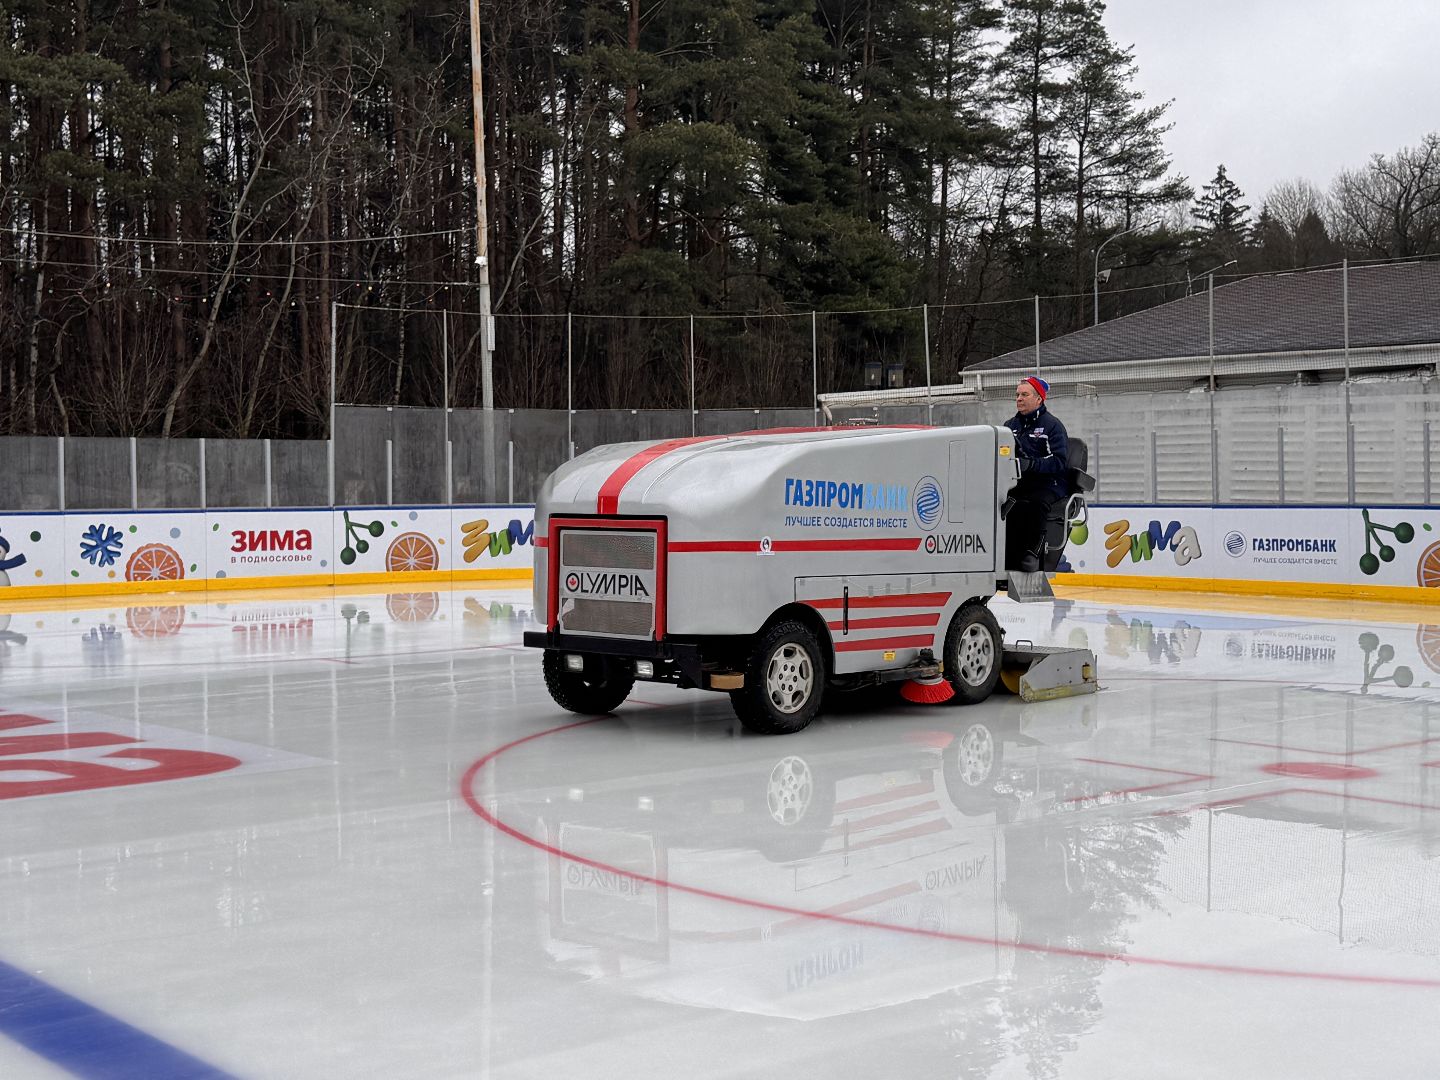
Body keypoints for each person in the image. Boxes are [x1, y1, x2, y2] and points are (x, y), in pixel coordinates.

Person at [1003, 376, 1069, 573]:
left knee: (1035, 504)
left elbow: (1059, 461)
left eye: (1025, 394)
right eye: (1017, 395)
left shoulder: (1052, 426)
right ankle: (1006, 555)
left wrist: (1031, 464)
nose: (1019, 399)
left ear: (1039, 399)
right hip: (1020, 481)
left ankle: (1032, 554)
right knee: (1005, 503)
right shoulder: (1009, 426)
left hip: (1049, 482)